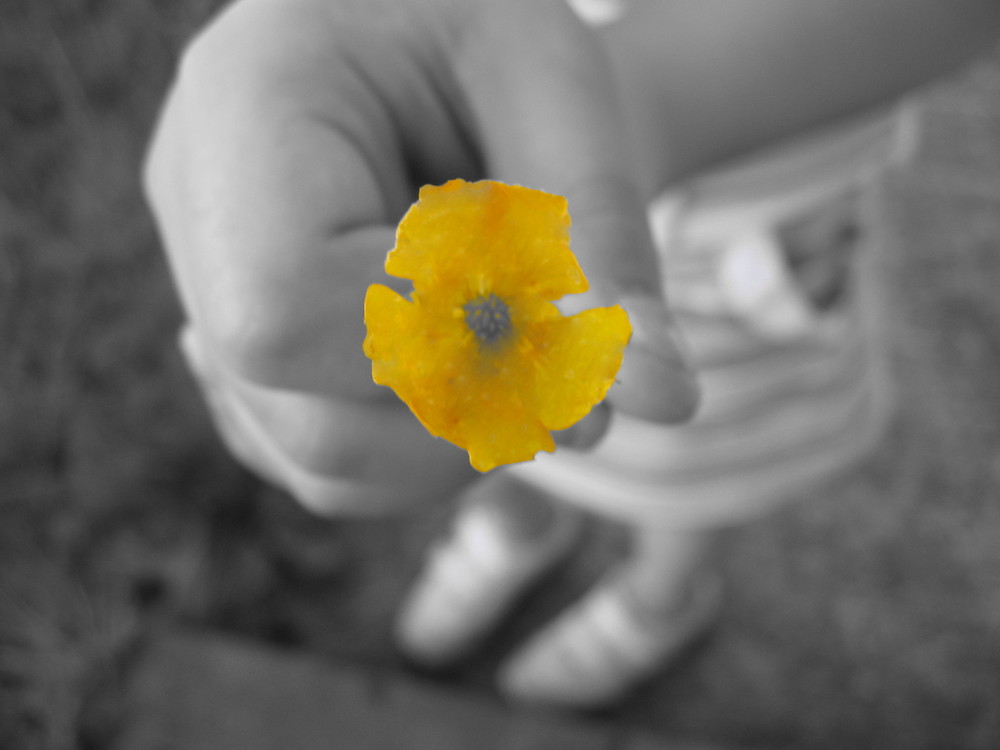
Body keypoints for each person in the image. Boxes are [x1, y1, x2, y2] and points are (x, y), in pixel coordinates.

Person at [144, 0, 1000, 709]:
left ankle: (659, 599)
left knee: (688, 452)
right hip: (486, 141)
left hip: (752, 218)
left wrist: (627, 98)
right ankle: (517, 532)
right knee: (517, 443)